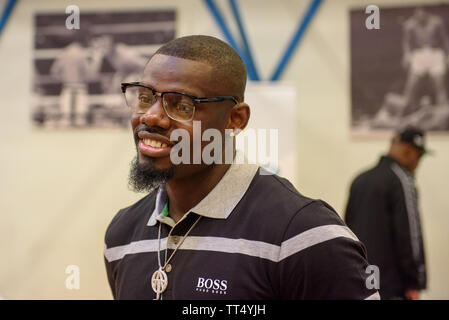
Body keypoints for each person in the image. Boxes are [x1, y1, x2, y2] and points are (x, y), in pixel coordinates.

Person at [103, 35, 379, 300]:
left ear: (235, 120)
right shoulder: (122, 233)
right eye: (145, 97)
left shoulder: (304, 235)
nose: (151, 116)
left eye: (182, 105)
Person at [345, 126, 429, 300]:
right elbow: (410, 235)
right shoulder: (402, 180)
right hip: (393, 287)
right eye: (419, 156)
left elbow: (347, 230)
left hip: (360, 282)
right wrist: (414, 282)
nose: (418, 163)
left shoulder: (360, 179)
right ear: (409, 151)